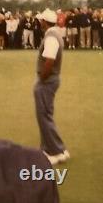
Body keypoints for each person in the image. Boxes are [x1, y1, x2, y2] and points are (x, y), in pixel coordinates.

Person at [33, 8, 70, 165]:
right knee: (45, 115)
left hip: (48, 81)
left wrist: (42, 78)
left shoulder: (51, 37)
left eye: (40, 20)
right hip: (50, 80)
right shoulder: (54, 34)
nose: (39, 22)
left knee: (44, 116)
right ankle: (52, 148)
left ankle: (56, 152)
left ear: (44, 22)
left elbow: (49, 60)